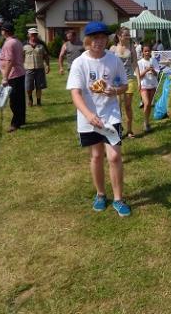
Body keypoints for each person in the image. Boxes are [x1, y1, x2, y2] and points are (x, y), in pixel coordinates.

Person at [66, 21, 131, 217]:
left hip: (110, 115)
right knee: (96, 156)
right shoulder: (80, 63)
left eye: (102, 38)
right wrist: (88, 115)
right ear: (88, 40)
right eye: (95, 38)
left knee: (114, 156)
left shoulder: (114, 60)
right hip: (89, 118)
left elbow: (125, 85)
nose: (99, 41)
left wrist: (116, 91)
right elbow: (75, 93)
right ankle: (101, 194)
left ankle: (118, 199)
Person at [109, 27, 140, 138]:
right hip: (116, 81)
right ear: (119, 36)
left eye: (128, 35)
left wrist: (139, 80)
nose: (128, 37)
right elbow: (108, 65)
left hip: (129, 79)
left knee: (127, 106)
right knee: (117, 106)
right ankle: (118, 128)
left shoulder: (131, 47)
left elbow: (135, 64)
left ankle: (130, 130)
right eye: (126, 35)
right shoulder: (113, 49)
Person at [0, 22, 26, 133]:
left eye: (2, 30)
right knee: (20, 99)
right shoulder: (17, 41)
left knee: (14, 101)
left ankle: (15, 123)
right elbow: (22, 56)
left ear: (5, 31)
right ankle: (21, 119)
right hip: (19, 73)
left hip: (13, 75)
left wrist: (5, 77)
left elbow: (9, 61)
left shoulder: (9, 43)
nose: (1, 32)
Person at [23, 27, 50, 106]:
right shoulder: (24, 45)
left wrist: (47, 65)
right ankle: (30, 99)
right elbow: (21, 57)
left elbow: (46, 56)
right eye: (32, 35)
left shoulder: (41, 45)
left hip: (40, 68)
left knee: (39, 86)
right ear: (28, 35)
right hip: (28, 69)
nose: (34, 36)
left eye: (35, 34)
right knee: (28, 87)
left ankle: (38, 101)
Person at [137, 44, 160, 133]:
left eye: (148, 51)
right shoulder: (140, 62)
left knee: (149, 104)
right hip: (144, 85)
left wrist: (152, 70)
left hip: (152, 85)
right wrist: (146, 70)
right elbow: (139, 76)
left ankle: (147, 122)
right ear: (142, 52)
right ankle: (145, 122)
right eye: (145, 51)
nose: (147, 53)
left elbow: (157, 74)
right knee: (146, 104)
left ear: (150, 52)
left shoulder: (154, 60)